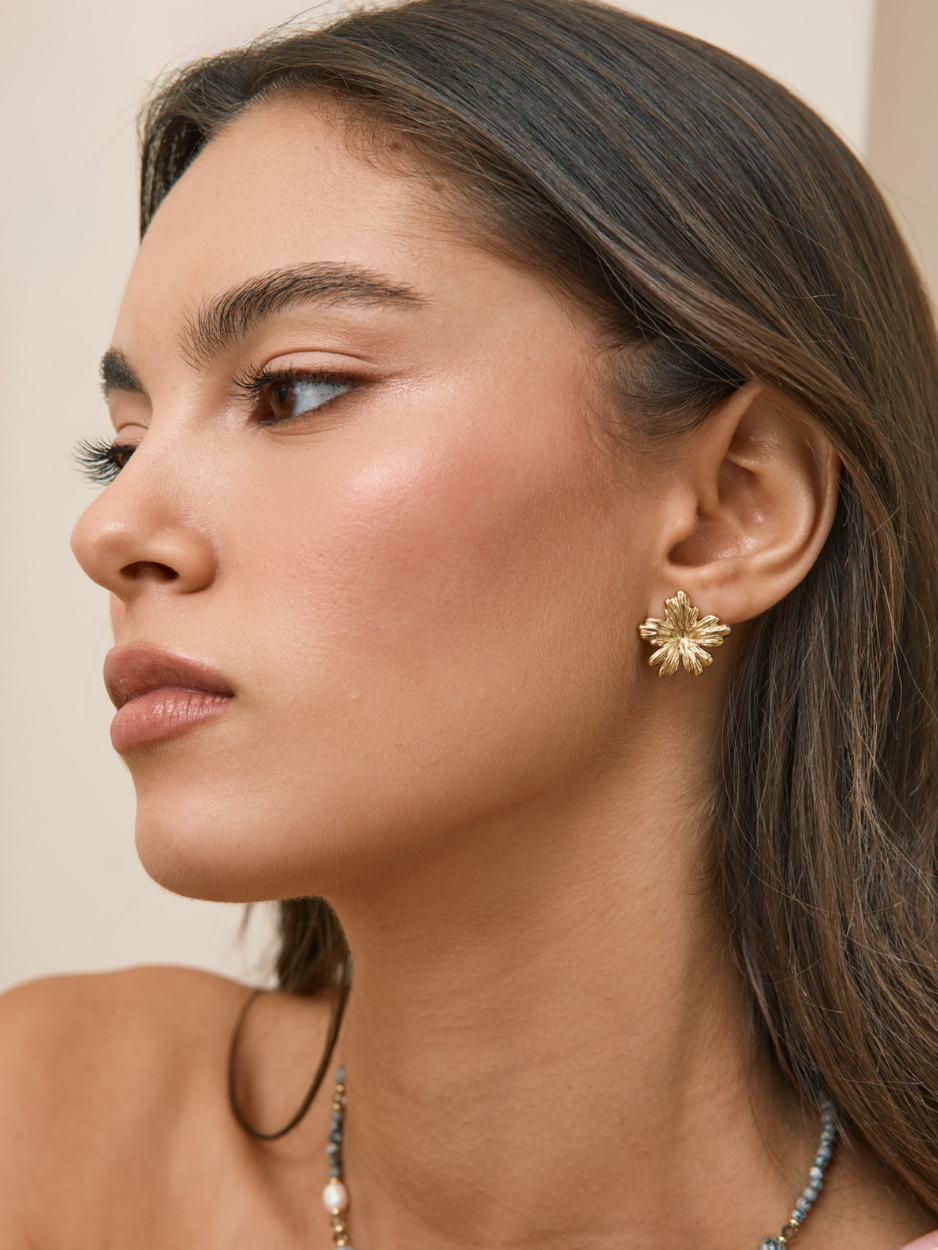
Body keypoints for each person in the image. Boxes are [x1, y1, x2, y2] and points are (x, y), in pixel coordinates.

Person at [2, 0, 938, 1244]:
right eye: (119, 446)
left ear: (730, 510)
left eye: (295, 390)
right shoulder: (48, 1126)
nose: (109, 529)